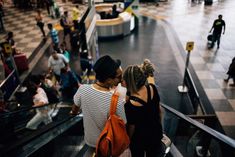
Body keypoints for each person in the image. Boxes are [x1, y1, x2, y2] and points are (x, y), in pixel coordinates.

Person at [71, 55, 126, 156]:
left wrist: (74, 113)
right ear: (109, 80)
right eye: (119, 77)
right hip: (107, 143)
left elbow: (74, 109)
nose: (121, 80)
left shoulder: (82, 89)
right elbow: (124, 124)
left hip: (90, 141)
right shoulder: (117, 100)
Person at [123, 65, 164, 157]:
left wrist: (128, 140)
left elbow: (131, 127)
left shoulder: (130, 105)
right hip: (155, 134)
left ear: (130, 82)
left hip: (139, 139)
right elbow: (159, 111)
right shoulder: (152, 88)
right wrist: (159, 126)